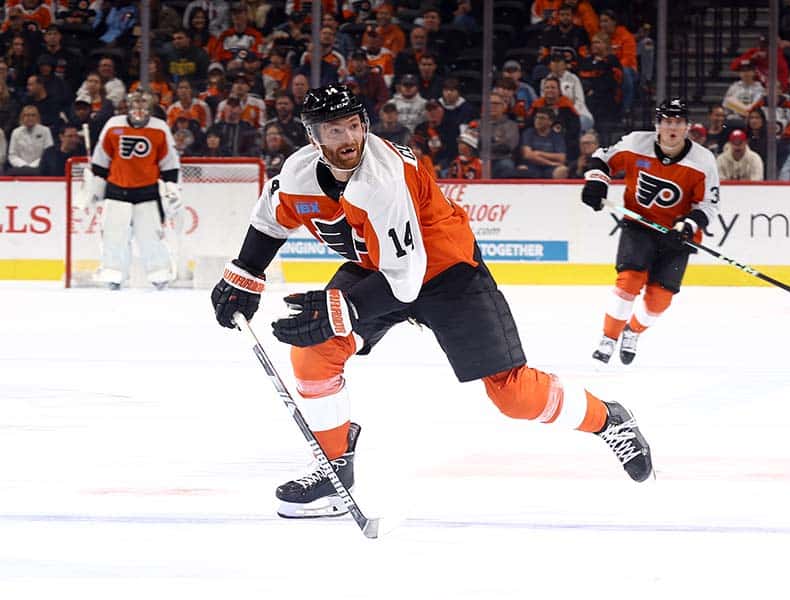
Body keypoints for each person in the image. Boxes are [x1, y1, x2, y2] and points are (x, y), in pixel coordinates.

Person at [210, 84, 653, 517]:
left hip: (447, 273)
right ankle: (334, 465)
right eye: (334, 131)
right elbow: (270, 218)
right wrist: (246, 273)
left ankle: (609, 420)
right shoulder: (298, 174)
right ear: (313, 138)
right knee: (313, 352)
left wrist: (340, 310)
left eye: (353, 126)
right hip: (375, 268)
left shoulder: (380, 181)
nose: (348, 140)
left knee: (515, 396)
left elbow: (406, 279)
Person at [581, 98, 719, 364]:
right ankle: (609, 338)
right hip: (639, 225)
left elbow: (709, 204)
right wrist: (597, 182)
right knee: (629, 281)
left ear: (687, 127)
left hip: (676, 235)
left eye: (678, 122)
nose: (672, 128)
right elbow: (602, 158)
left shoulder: (703, 161)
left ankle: (632, 331)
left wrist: (688, 225)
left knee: (659, 300)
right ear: (657, 125)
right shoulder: (635, 143)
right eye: (667, 121)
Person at [74, 88, 181, 290]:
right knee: (113, 235)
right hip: (116, 189)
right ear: (128, 106)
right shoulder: (114, 126)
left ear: (150, 107)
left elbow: (169, 162)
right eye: (135, 104)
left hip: (147, 191)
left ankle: (159, 273)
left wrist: (171, 187)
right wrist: (95, 187)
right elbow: (101, 159)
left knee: (151, 236)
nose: (138, 108)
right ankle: (113, 273)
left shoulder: (159, 128)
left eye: (143, 104)